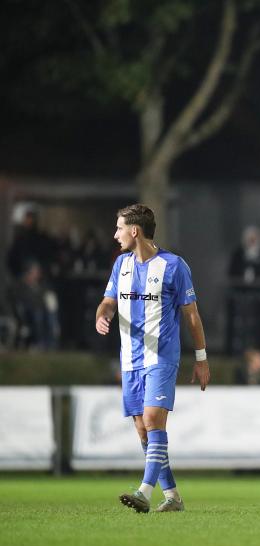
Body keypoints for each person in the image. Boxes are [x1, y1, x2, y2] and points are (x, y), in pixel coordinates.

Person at [95, 204, 210, 513]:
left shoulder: (173, 266)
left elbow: (193, 316)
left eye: (119, 228)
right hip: (130, 359)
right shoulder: (121, 265)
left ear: (135, 231)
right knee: (143, 430)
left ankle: (144, 492)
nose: (115, 234)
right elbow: (107, 301)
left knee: (152, 420)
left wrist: (201, 359)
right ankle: (172, 496)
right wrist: (101, 316)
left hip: (162, 356)